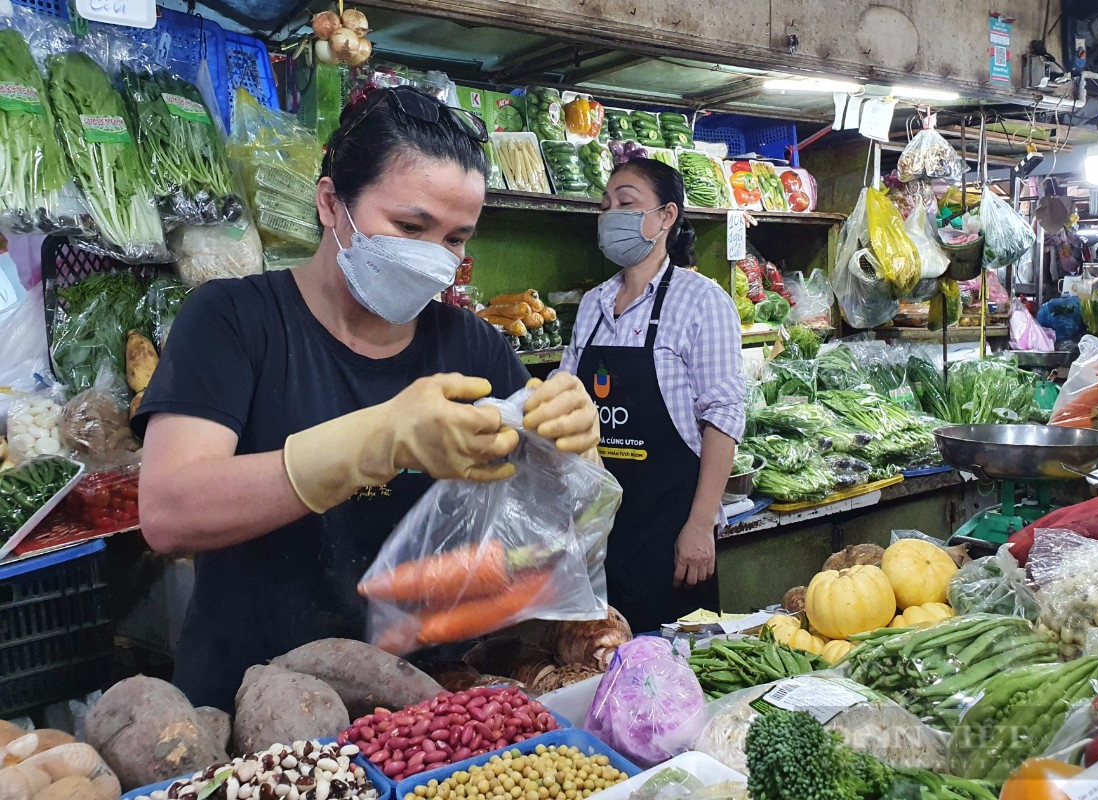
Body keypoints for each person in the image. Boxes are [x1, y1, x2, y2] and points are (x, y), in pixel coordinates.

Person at [133, 86, 601, 711]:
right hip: (255, 710)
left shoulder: (474, 347)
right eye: (410, 227)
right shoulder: (232, 320)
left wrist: (570, 453)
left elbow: (546, 535)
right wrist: (373, 444)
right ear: (331, 202)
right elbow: (169, 513)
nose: (436, 259)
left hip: (429, 709)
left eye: (457, 240)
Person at [558, 159, 746, 633]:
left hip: (671, 532)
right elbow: (566, 406)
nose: (611, 214)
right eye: (605, 206)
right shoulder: (593, 305)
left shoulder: (702, 300)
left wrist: (701, 525)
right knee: (595, 665)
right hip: (598, 536)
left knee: (673, 678)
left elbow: (722, 418)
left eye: (626, 202)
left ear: (666, 216)